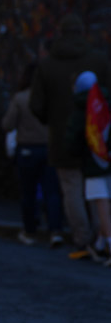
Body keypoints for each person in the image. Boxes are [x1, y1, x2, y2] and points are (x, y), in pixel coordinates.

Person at [30, 13, 111, 258]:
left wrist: (54, 120)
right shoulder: (99, 60)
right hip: (97, 137)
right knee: (99, 189)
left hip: (61, 137)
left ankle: (82, 238)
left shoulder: (47, 65)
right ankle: (102, 236)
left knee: (71, 190)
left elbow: (36, 105)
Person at [2, 62, 63, 247]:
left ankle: (30, 231)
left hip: (27, 149)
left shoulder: (20, 98)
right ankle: (55, 231)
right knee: (52, 192)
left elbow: (7, 124)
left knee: (28, 193)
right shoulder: (53, 98)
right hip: (49, 148)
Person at [65, 71, 111, 263]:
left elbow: (73, 140)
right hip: (106, 156)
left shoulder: (80, 109)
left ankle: (107, 242)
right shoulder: (105, 101)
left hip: (93, 161)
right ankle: (100, 243)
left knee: (101, 202)